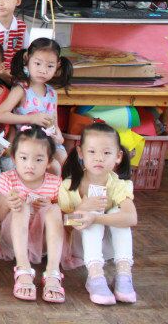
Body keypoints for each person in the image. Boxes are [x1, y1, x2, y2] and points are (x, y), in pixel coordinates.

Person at [59, 122, 138, 305]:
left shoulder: (119, 185)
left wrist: (97, 217)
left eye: (107, 153)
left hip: (108, 248)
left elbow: (131, 218)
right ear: (81, 153)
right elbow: (63, 223)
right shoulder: (68, 186)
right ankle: (95, 277)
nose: (99, 158)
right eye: (92, 152)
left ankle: (124, 275)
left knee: (117, 211)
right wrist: (83, 209)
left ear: (118, 156)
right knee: (91, 213)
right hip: (78, 247)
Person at [0, 126, 65, 303]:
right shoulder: (8, 179)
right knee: (22, 206)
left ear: (49, 161)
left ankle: (53, 271)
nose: (30, 165)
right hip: (13, 238)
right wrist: (9, 204)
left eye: (39, 159)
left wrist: (50, 205)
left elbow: (62, 219)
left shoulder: (55, 183)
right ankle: (23, 268)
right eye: (23, 158)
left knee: (54, 209)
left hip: (43, 242)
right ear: (13, 158)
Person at [0, 38, 74, 173]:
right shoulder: (21, 89)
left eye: (50, 66)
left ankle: (59, 187)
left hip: (48, 141)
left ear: (58, 65)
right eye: (37, 63)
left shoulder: (52, 93)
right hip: (26, 143)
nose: (43, 70)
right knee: (54, 166)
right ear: (27, 59)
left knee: (65, 162)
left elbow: (54, 123)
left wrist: (59, 136)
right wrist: (31, 119)